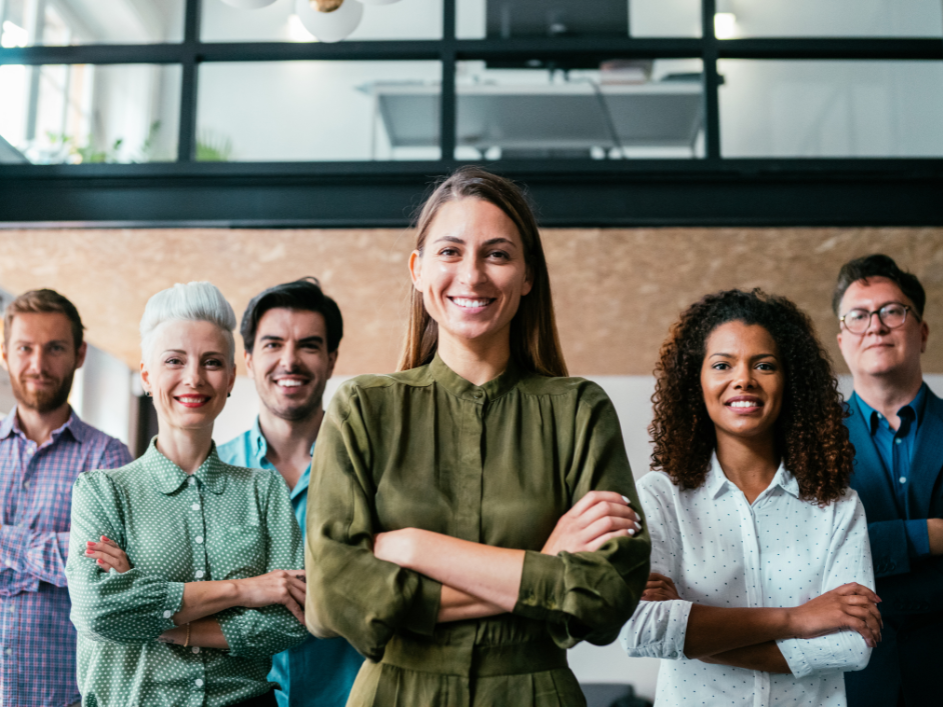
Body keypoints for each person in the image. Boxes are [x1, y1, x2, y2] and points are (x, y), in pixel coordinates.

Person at [304, 166, 650, 707]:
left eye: (497, 254)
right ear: (418, 270)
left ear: (527, 275)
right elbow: (333, 599)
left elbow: (607, 595)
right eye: (450, 252)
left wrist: (416, 548)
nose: (472, 275)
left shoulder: (580, 410)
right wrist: (544, 565)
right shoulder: (362, 409)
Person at [621, 288, 880, 707]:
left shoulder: (837, 505)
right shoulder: (659, 496)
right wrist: (797, 620)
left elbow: (852, 646)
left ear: (790, 380)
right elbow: (641, 631)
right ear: (697, 380)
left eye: (764, 365)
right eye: (722, 364)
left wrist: (687, 631)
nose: (743, 378)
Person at [65, 281, 309, 707]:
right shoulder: (102, 492)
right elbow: (97, 611)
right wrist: (247, 590)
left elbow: (293, 621)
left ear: (231, 378)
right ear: (146, 374)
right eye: (174, 360)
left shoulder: (263, 489)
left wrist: (155, 615)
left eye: (212, 362)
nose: (194, 378)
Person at [219, 278, 364, 707]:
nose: (289, 360)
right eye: (272, 344)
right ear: (247, 359)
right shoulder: (211, 472)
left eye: (308, 345)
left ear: (332, 358)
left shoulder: (370, 471)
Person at [0, 288, 132, 707]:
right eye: (25, 348)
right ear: (4, 353)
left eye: (55, 348)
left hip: (65, 697)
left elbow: (100, 570)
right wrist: (58, 553)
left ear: (79, 355)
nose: (38, 365)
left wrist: (5, 545)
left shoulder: (108, 457)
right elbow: (75, 557)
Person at [833, 254, 942, 707]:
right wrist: (930, 534)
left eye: (892, 311)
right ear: (842, 340)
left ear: (921, 331)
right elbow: (808, 551)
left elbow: (841, 542)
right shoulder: (806, 446)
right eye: (859, 316)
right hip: (853, 677)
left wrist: (871, 541)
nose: (874, 326)